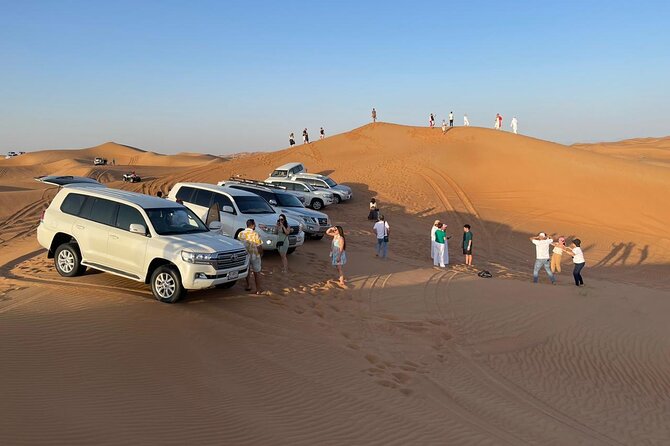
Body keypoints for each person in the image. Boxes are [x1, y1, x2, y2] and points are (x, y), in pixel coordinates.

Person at [238, 219, 263, 294]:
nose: (255, 226)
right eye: (255, 224)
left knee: (247, 270)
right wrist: (261, 254)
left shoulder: (241, 233)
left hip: (245, 255)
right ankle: (258, 289)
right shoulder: (255, 234)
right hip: (255, 255)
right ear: (252, 225)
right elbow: (259, 246)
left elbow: (238, 244)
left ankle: (248, 285)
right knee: (257, 272)